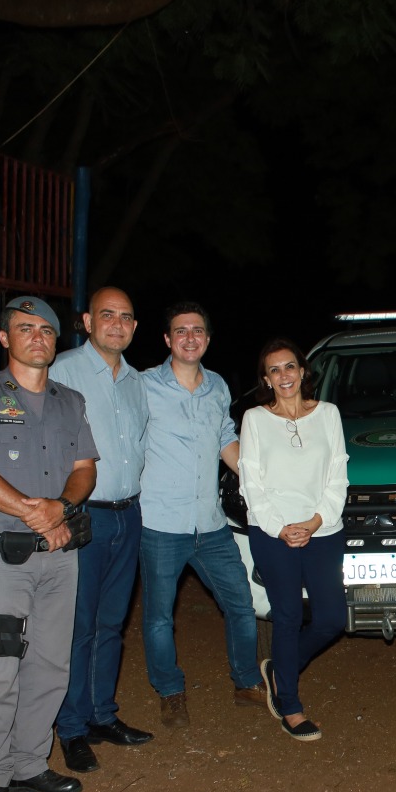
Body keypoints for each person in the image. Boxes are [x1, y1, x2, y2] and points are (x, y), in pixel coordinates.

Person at [0, 296, 98, 792]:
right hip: (0, 559)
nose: (38, 336)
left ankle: (30, 764)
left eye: (47, 330)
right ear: (6, 338)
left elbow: (84, 469)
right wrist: (39, 514)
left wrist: (64, 508)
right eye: (25, 328)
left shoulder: (70, 400)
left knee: (51, 666)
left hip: (60, 558)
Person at [139, 301, 267, 727]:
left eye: (197, 331)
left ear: (207, 339)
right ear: (167, 340)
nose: (189, 338)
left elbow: (225, 440)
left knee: (241, 604)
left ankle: (247, 681)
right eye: (180, 331)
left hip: (210, 523)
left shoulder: (216, 387)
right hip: (160, 522)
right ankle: (170, 690)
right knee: (159, 616)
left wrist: (261, 478)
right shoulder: (142, 386)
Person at [49, 287, 153, 774]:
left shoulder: (136, 381)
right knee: (78, 625)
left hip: (129, 513)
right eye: (107, 315)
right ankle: (70, 728)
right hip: (83, 515)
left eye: (126, 317)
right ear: (87, 321)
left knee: (112, 623)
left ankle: (100, 715)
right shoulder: (61, 370)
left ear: (134, 327)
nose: (117, 324)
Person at [239, 339, 350, 741]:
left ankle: (280, 668)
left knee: (331, 619)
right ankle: (290, 705)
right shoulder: (255, 418)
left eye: (290, 367)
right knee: (286, 616)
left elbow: (338, 472)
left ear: (303, 371)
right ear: (266, 379)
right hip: (273, 533)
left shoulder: (329, 414)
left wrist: (316, 520)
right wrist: (280, 526)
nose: (284, 376)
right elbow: (251, 480)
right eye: (275, 370)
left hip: (323, 529)